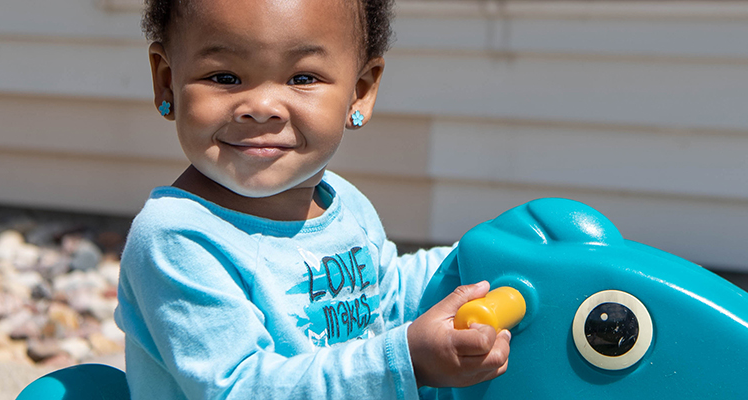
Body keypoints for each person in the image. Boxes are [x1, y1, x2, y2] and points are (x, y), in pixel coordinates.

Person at [111, 0, 512, 398]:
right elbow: (239, 388)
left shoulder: (342, 204)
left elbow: (387, 297)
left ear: (360, 91)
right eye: (225, 77)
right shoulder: (177, 239)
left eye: (302, 78)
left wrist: (485, 259)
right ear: (167, 81)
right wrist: (407, 361)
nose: (262, 109)